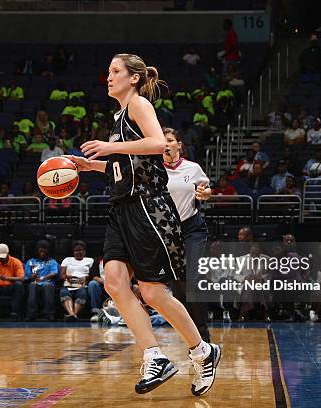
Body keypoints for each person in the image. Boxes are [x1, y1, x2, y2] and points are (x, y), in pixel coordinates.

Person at [65, 53, 220, 396]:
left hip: (149, 207)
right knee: (114, 282)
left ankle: (202, 350)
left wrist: (108, 147)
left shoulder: (138, 105)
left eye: (115, 71)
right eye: (108, 71)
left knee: (151, 291)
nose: (108, 77)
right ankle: (154, 355)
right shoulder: (119, 115)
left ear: (133, 78)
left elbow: (157, 145)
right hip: (122, 208)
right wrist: (93, 167)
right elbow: (128, 168)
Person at [162, 127, 212, 342]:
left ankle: (204, 334)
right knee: (178, 285)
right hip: (167, 232)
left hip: (192, 229)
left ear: (179, 145)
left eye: (170, 140)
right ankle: (193, 338)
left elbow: (206, 189)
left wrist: (206, 193)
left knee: (193, 278)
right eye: (162, 141)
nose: (166, 144)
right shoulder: (154, 170)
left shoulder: (193, 168)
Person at [25, 240, 59, 322]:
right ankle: (32, 315)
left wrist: (43, 278)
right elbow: (26, 276)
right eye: (41, 249)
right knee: (32, 285)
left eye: (45, 249)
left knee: (47, 285)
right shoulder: (31, 261)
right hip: (35, 282)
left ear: (48, 251)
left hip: (48, 282)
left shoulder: (52, 261)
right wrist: (31, 276)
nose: (43, 251)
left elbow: (54, 272)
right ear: (37, 250)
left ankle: (49, 314)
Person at [60, 241, 94, 322]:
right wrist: (67, 277)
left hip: (82, 285)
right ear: (73, 251)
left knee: (82, 293)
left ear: (84, 251)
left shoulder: (90, 260)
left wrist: (86, 278)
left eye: (81, 250)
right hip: (68, 284)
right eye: (76, 250)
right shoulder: (67, 260)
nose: (79, 252)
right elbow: (62, 275)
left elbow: (93, 274)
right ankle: (72, 314)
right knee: (64, 293)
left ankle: (73, 315)